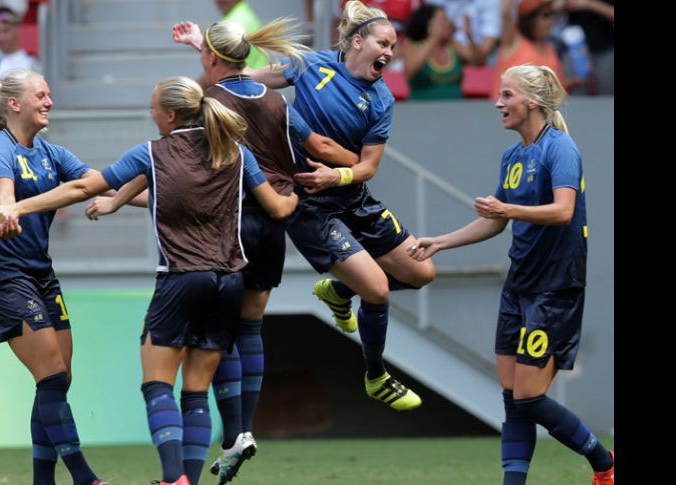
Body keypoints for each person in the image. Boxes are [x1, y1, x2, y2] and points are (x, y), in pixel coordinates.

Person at [90, 17, 361, 484]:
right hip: (273, 220)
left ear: (211, 59)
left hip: (225, 228)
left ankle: (205, 451)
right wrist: (352, 166)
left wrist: (114, 198)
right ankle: (241, 430)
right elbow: (317, 143)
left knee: (197, 354)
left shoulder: (208, 103)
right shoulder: (275, 101)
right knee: (248, 327)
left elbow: (162, 158)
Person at [0, 76, 299, 485]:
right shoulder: (236, 153)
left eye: (153, 107)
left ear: (168, 115)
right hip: (229, 282)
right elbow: (278, 207)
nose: (150, 113)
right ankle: (190, 476)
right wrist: (296, 195)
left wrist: (18, 208)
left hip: (180, 280)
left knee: (157, 386)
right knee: (195, 391)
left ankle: (172, 478)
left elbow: (85, 184)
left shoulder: (153, 152)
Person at [407, 64, 614, 485]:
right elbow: (495, 221)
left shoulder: (560, 149)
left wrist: (508, 210)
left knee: (528, 398)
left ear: (532, 102)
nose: (497, 103)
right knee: (513, 400)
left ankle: (603, 461)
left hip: (555, 288)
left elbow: (563, 211)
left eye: (507, 95)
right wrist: (440, 242)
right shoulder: (513, 155)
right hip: (519, 285)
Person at [245, 0, 437, 412]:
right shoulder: (310, 65)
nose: (389, 53)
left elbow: (368, 167)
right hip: (309, 205)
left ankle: (337, 290)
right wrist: (202, 47)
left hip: (351, 195)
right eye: (383, 43)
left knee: (422, 272)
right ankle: (376, 376)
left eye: (393, 46)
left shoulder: (382, 99)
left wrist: (340, 173)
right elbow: (247, 80)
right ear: (356, 41)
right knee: (378, 288)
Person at [0, 68, 108, 485]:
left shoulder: (51, 153)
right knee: (51, 373)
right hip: (5, 277)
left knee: (57, 381)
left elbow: (97, 184)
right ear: (15, 104)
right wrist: (7, 209)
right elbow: (3, 194)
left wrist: (159, 196)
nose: (50, 102)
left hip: (42, 276)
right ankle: (85, 478)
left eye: (50, 94)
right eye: (42, 95)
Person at [490, 0, 566, 99]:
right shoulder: (514, 41)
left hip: (543, 112)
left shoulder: (551, 49)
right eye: (545, 16)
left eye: (551, 15)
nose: (550, 21)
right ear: (530, 19)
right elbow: (505, 11)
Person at [402, 3, 464, 100]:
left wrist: (469, 36)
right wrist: (433, 38)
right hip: (422, 111)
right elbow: (410, 71)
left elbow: (478, 60)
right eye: (443, 20)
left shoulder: (453, 46)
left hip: (457, 111)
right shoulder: (412, 45)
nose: (449, 23)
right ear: (429, 24)